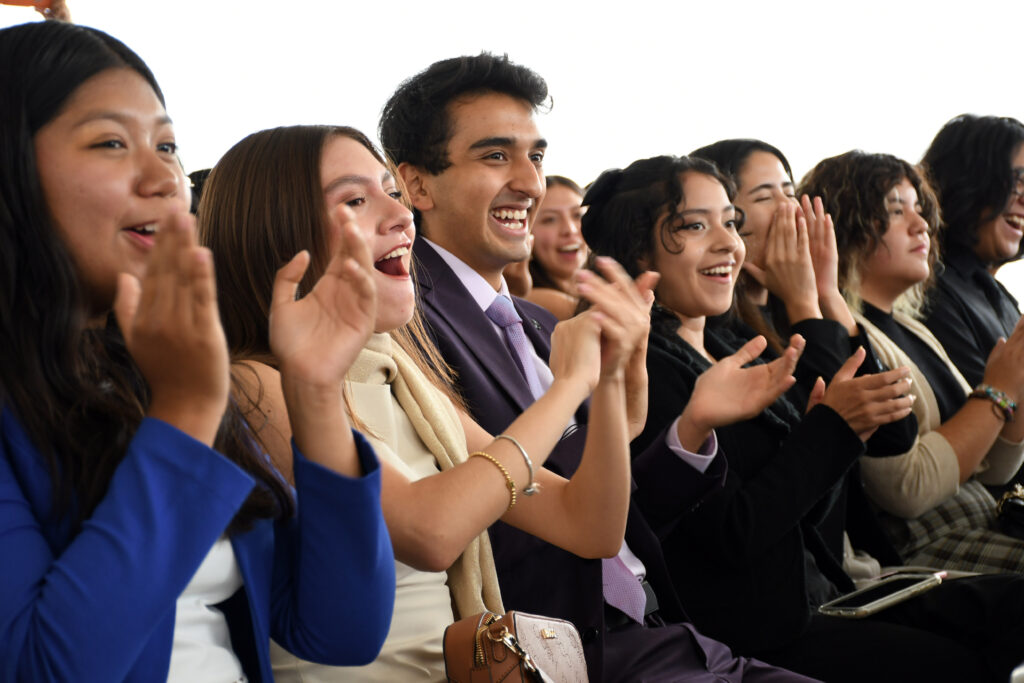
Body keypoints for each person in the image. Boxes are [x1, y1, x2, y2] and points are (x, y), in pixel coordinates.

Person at [379, 52, 816, 682]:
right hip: (565, 652)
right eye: (496, 156)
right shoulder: (405, 326)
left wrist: (678, 427)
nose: (530, 183)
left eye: (536, 156)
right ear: (417, 185)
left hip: (665, 632)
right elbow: (499, 516)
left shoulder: (539, 324)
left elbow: (605, 509)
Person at [198, 123, 673, 682]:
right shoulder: (258, 384)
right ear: (279, 238)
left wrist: (610, 379)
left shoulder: (403, 374)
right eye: (355, 199)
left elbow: (589, 525)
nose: (401, 216)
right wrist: (568, 387)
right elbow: (430, 530)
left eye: (391, 192)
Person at [0, 20, 394, 682]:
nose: (161, 175)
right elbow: (44, 666)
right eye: (110, 143)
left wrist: (316, 390)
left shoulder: (154, 373)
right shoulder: (181, 386)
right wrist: (186, 408)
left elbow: (340, 630)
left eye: (168, 144)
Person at [582, 152, 1024, 683]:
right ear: (637, 248)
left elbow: (892, 434)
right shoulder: (645, 366)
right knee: (957, 664)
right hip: (761, 633)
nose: (728, 243)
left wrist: (822, 299)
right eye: (695, 226)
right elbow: (734, 538)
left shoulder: (735, 344)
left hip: (832, 597)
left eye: (730, 222)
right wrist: (827, 432)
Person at [800, 150, 1024, 575]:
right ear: (845, 226)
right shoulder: (841, 336)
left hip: (983, 520)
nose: (922, 225)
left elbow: (992, 469)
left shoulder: (909, 325)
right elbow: (909, 488)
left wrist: (1015, 389)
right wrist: (998, 393)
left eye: (919, 210)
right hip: (925, 548)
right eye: (895, 211)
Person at [919, 115, 1024, 389]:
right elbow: (986, 411)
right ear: (966, 179)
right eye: (1017, 181)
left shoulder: (999, 297)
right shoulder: (929, 288)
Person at [519, 175, 588, 319]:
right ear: (526, 232)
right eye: (550, 219)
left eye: (577, 215)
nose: (570, 230)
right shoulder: (532, 298)